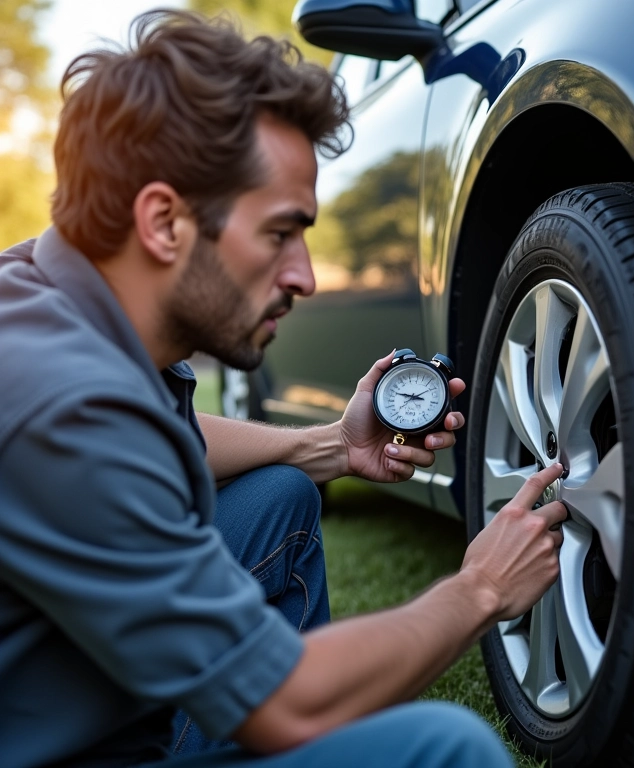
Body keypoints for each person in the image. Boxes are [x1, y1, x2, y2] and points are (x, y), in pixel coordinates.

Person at [0, 10, 567, 768]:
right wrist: (479, 590)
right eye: (279, 233)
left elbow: (160, 446)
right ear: (163, 221)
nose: (303, 274)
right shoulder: (63, 404)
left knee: (279, 501)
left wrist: (332, 445)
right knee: (444, 747)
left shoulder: (47, 296)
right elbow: (289, 701)